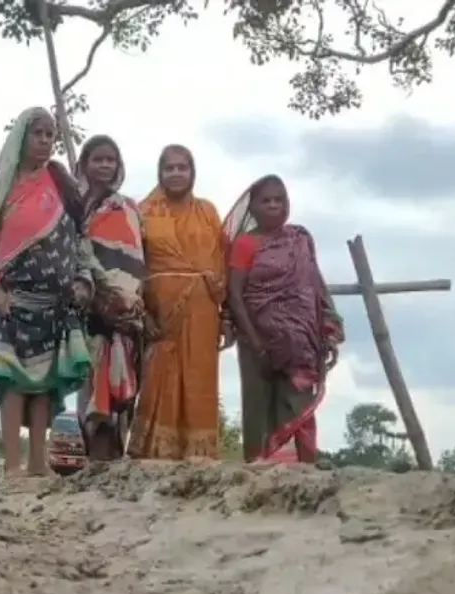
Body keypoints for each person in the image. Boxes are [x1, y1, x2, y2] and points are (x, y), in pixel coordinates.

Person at [0, 107, 93, 477]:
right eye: (37, 133)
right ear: (22, 137)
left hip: (57, 299)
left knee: (45, 382)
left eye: (50, 134)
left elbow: (79, 233)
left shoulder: (61, 182)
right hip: (14, 297)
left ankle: (38, 463)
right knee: (12, 377)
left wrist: (81, 279)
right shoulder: (1, 185)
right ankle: (12, 464)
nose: (44, 141)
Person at [223, 175, 343, 463]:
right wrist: (257, 344)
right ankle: (258, 472)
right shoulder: (245, 244)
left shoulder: (299, 240)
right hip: (255, 341)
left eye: (279, 200)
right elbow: (235, 295)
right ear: (253, 208)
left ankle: (299, 474)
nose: (273, 205)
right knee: (258, 408)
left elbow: (315, 287)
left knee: (296, 404)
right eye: (266, 201)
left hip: (299, 344)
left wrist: (326, 329)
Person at [132, 144, 228, 460]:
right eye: (169, 168)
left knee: (199, 381)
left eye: (182, 167)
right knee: (160, 378)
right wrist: (143, 314)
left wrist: (227, 317)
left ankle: (198, 457)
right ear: (159, 173)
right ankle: (155, 454)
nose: (176, 173)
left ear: (192, 172)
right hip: (160, 314)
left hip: (203, 314)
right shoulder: (143, 213)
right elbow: (133, 266)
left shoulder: (208, 212)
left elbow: (221, 263)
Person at [73, 135, 149, 461]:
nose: (105, 165)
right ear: (84, 164)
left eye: (111, 160)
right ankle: (93, 462)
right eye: (98, 159)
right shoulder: (74, 208)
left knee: (123, 389)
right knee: (90, 385)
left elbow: (139, 257)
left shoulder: (129, 208)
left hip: (127, 312)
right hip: (88, 310)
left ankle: (115, 463)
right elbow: (74, 253)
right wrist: (98, 294)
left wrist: (127, 299)